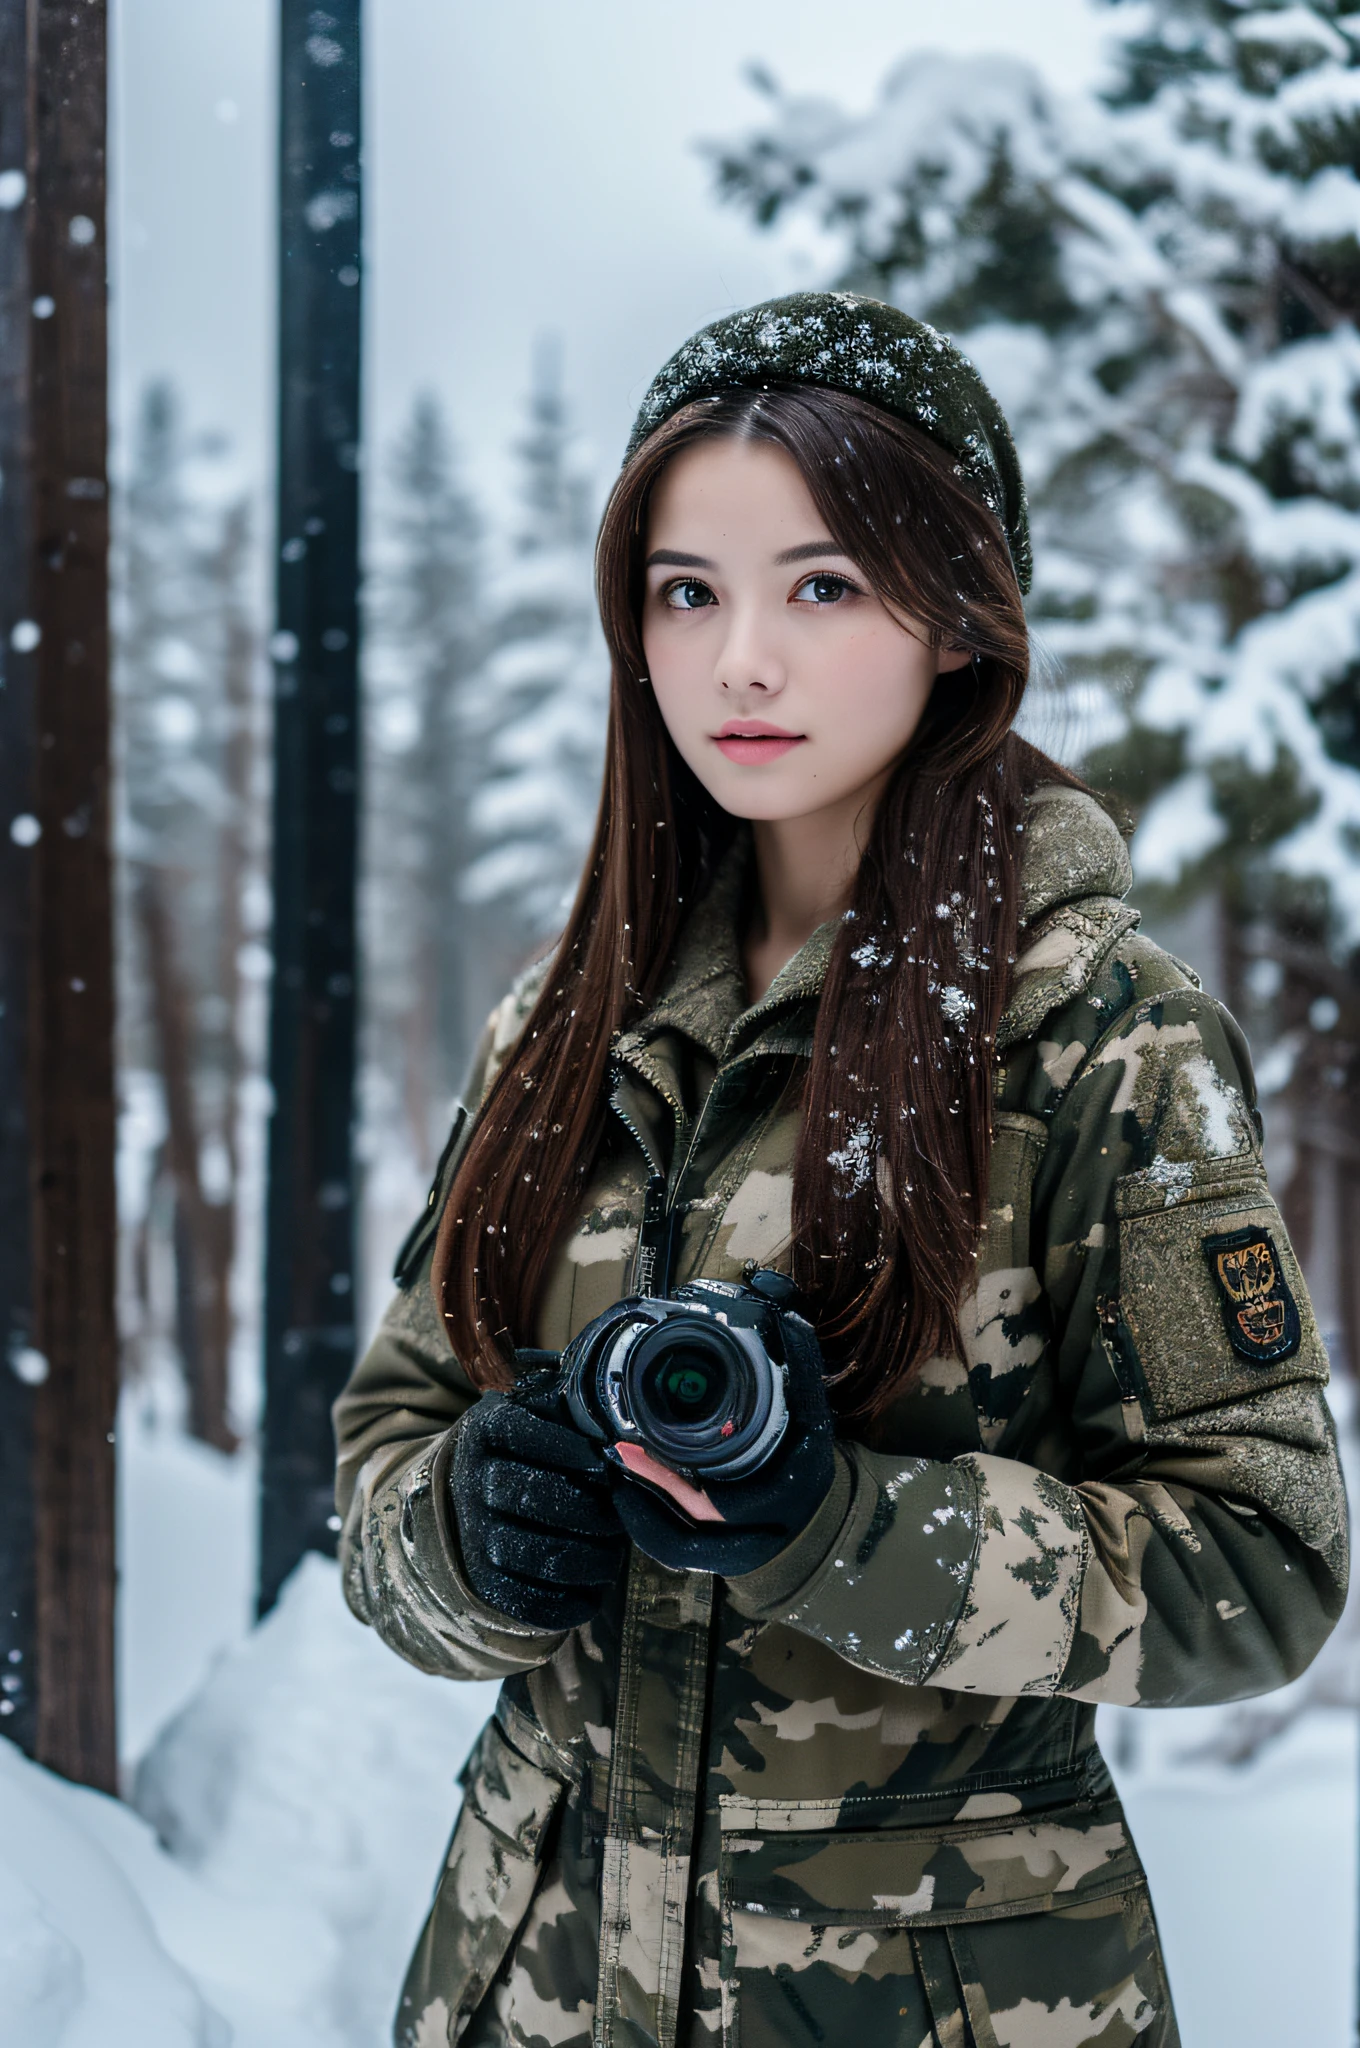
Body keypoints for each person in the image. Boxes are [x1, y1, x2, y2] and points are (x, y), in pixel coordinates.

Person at [333, 293, 1348, 2048]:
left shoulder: (1101, 1037)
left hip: (940, 1994)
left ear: (959, 618)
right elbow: (383, 1461)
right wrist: (468, 1538)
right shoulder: (561, 1026)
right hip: (533, 1979)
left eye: (821, 586)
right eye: (686, 590)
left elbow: (1261, 1570)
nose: (740, 662)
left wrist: (842, 1531)